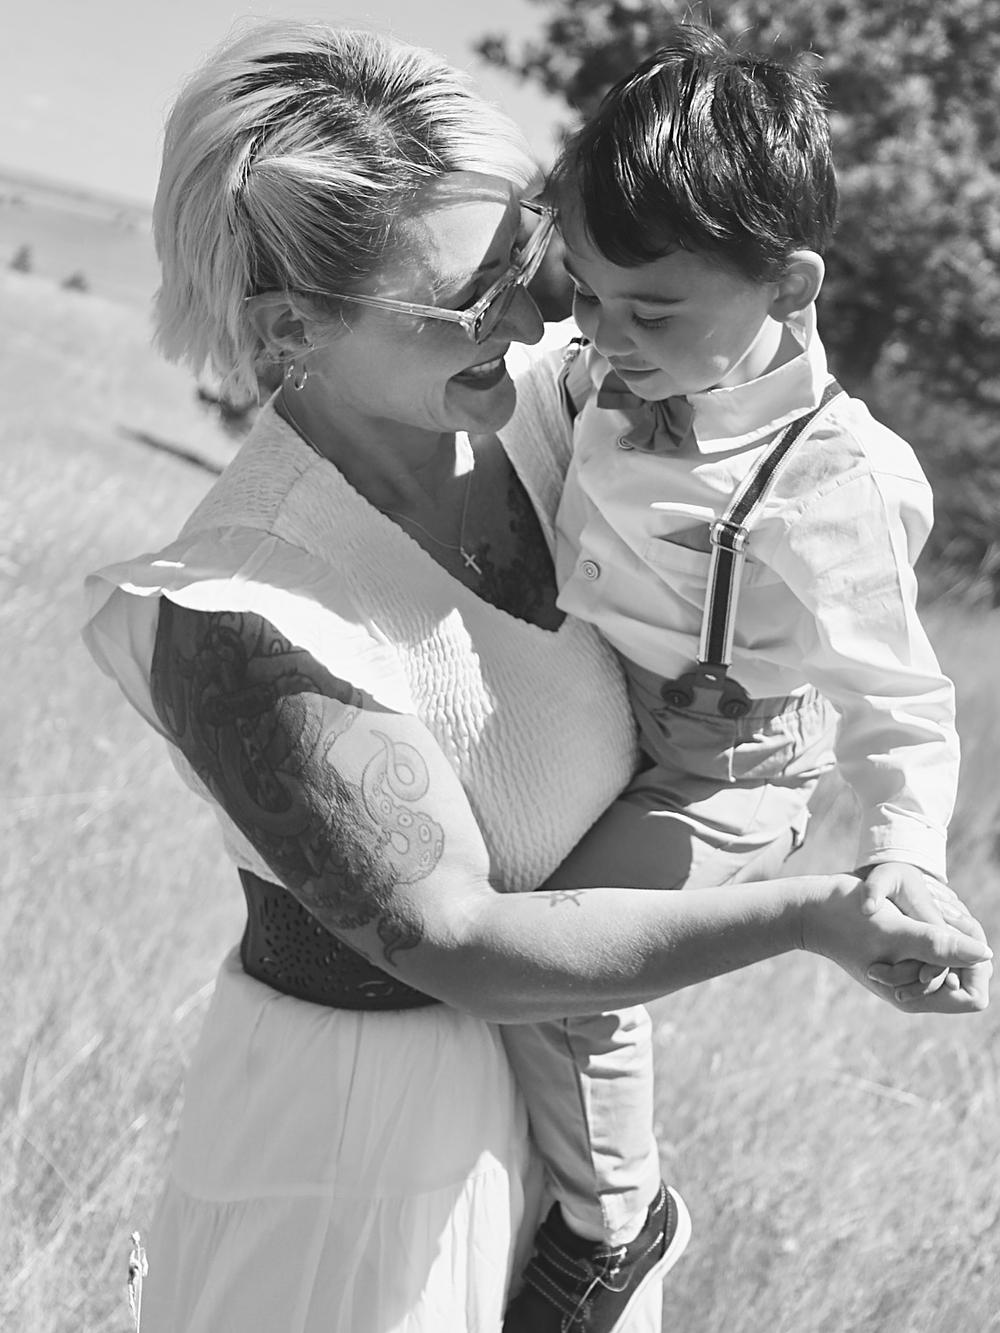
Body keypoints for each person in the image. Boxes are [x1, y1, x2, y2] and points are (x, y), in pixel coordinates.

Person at [81, 20, 991, 1333]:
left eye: (529, 260)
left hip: (561, 1124)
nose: (536, 318)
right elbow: (461, 946)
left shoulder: (564, 407)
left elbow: (767, 408)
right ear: (290, 326)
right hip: (358, 1162)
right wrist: (808, 915)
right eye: (469, 302)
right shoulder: (245, 602)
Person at [500, 24, 989, 1332]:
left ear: (788, 284)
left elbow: (900, 702)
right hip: (590, 695)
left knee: (564, 958)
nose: (608, 334)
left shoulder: (839, 484)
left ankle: (615, 1219)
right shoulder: (604, 369)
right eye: (590, 294)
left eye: (652, 311)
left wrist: (903, 859)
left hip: (721, 768)